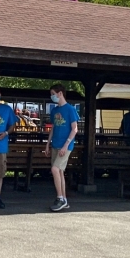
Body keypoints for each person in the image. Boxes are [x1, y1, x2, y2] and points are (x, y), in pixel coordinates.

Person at [43, 84, 79, 212]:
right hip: (55, 144)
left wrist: (66, 145)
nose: (52, 96)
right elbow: (53, 127)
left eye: (53, 93)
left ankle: (60, 198)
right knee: (59, 172)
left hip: (65, 146)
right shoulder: (54, 111)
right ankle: (64, 199)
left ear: (60, 93)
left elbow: (74, 129)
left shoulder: (70, 109)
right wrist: (48, 143)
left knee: (54, 169)